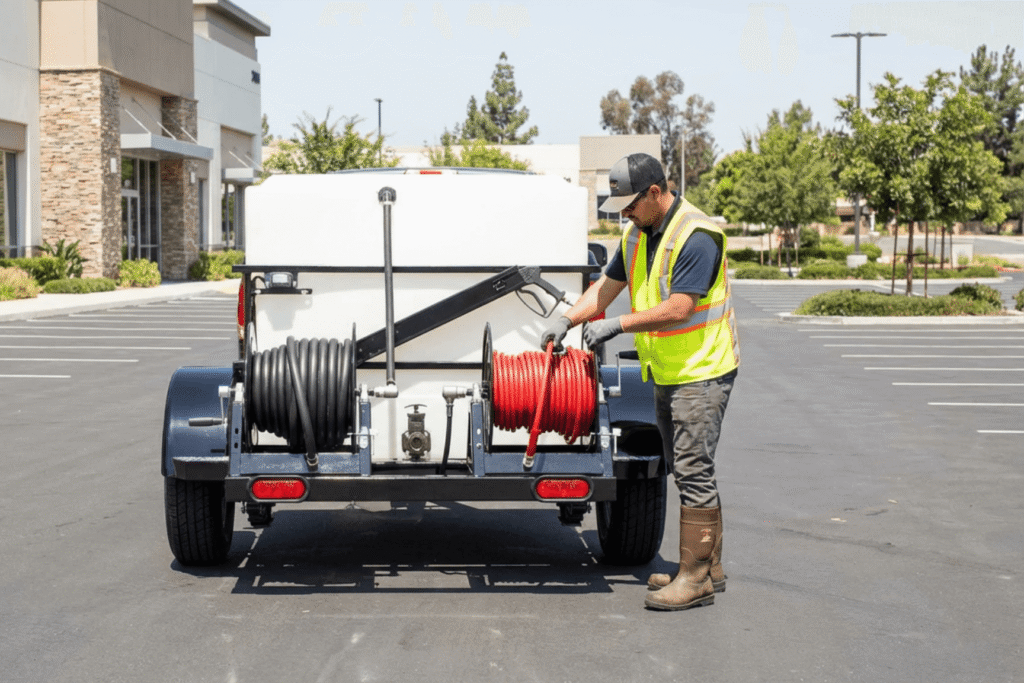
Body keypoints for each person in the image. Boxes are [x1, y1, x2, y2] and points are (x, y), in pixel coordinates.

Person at [540, 153, 739, 611]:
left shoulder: (697, 235)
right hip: (668, 371)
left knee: (692, 468)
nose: (625, 213)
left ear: (656, 193)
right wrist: (566, 320)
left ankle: (694, 579)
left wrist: (620, 325)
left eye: (630, 204)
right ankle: (710, 566)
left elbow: (680, 307)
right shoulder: (636, 235)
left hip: (703, 370)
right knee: (687, 466)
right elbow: (604, 290)